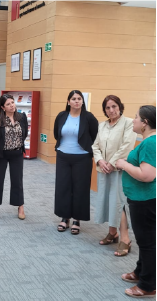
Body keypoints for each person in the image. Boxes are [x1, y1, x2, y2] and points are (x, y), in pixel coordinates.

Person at [116, 105, 156, 298]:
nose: (133, 120)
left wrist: (124, 164)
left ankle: (148, 285)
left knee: (147, 242)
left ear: (145, 123)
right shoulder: (148, 141)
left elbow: (147, 175)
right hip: (141, 198)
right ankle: (141, 272)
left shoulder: (150, 143)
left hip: (145, 199)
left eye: (136, 117)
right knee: (144, 240)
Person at [92, 95, 137, 256]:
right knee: (107, 200)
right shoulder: (102, 125)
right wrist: (100, 161)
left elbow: (127, 146)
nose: (111, 110)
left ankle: (125, 239)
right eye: (108, 108)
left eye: (114, 106)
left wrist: (111, 162)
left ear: (120, 106)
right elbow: (95, 145)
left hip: (119, 169)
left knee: (119, 203)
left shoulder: (128, 123)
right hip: (104, 169)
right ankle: (113, 233)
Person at [54, 90, 98, 234]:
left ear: (82, 102)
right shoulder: (62, 116)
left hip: (82, 158)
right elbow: (56, 133)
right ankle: (64, 217)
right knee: (63, 186)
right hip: (63, 156)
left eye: (79, 99)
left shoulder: (89, 117)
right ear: (68, 102)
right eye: (74, 99)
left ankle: (77, 220)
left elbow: (94, 135)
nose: (77, 101)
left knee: (80, 188)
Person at [0, 94, 28, 221]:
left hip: (17, 154)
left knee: (17, 181)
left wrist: (16, 144)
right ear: (3, 107)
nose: (12, 106)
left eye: (13, 103)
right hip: (0, 155)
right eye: (8, 104)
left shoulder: (22, 117)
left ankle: (20, 207)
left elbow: (23, 134)